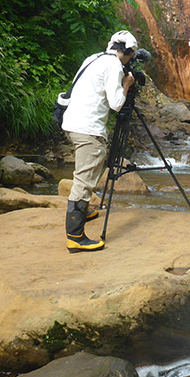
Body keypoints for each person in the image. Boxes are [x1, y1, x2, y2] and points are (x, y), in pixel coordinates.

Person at [61, 30, 137, 253]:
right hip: (88, 129)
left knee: (87, 169)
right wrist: (127, 84)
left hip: (72, 123)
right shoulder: (114, 65)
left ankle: (83, 210)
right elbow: (116, 104)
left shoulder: (92, 58)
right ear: (129, 52)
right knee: (84, 180)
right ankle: (75, 237)